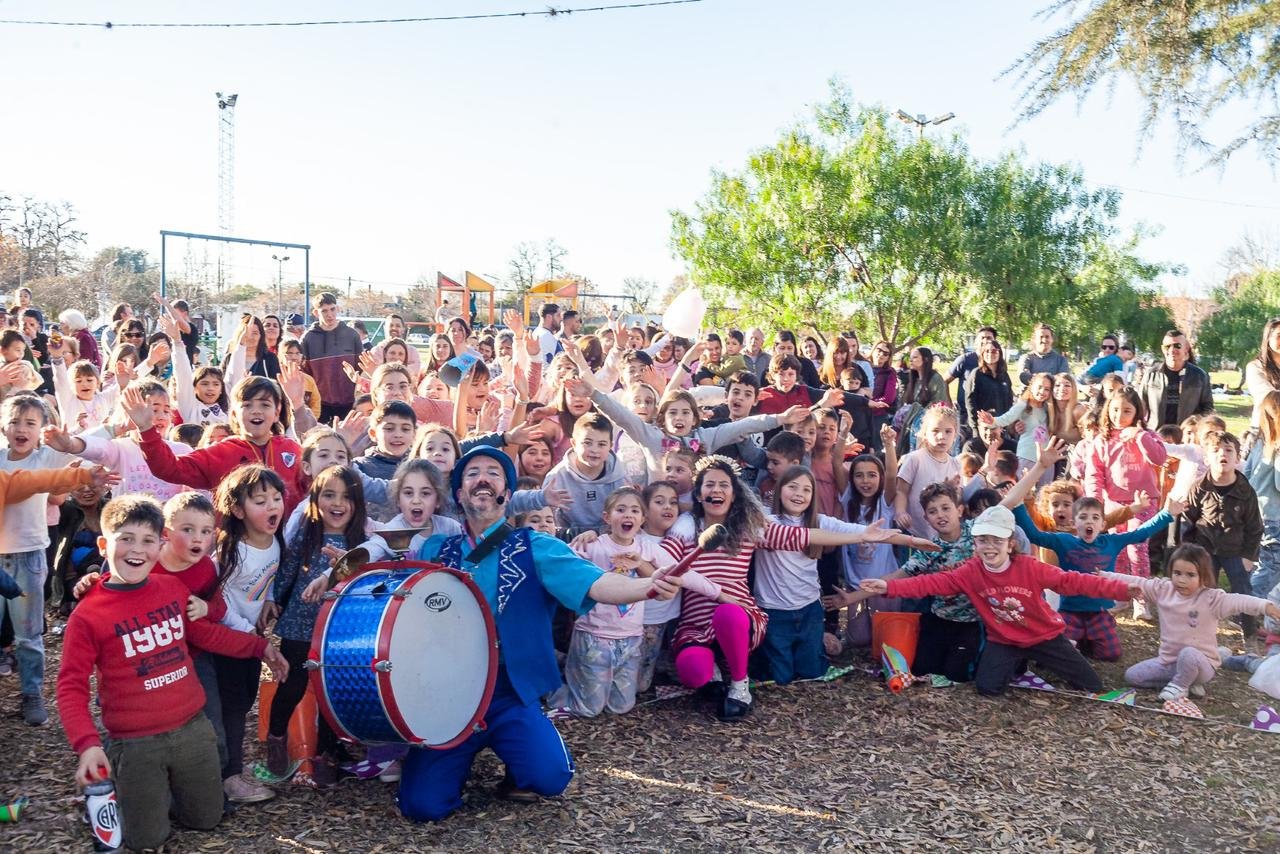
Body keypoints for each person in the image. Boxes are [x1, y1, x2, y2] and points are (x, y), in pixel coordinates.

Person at [400, 446, 679, 822]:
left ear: (508, 493)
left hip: (509, 692)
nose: (483, 479)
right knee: (421, 807)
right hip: (448, 695)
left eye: (494, 473)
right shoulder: (435, 550)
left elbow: (597, 583)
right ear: (459, 493)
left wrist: (646, 586)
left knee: (550, 777)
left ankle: (515, 760)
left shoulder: (537, 547)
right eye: (472, 473)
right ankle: (458, 757)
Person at [56, 494, 288, 851]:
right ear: (104, 545)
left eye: (148, 540)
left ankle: (161, 791)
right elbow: (71, 686)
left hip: (190, 726)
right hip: (136, 739)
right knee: (146, 839)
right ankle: (119, 794)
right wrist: (87, 746)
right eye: (126, 539)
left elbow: (205, 634)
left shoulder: (171, 589)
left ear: (160, 544)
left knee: (207, 818)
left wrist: (261, 648)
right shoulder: (88, 615)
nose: (138, 549)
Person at [862, 505, 1139, 696]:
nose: (989, 546)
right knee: (988, 689)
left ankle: (1041, 659)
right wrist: (888, 586)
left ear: (1010, 544)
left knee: (1092, 686)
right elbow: (930, 583)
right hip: (1004, 639)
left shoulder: (1030, 567)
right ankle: (1017, 665)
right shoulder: (971, 571)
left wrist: (1121, 590)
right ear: (975, 544)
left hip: (1044, 636)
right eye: (983, 540)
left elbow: (1075, 581)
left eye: (997, 540)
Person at [1111, 543, 1280, 701]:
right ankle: (1186, 681)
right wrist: (1103, 575)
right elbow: (1136, 582)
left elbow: (1240, 601)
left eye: (1190, 575)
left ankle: (1180, 686)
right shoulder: (1163, 590)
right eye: (1177, 573)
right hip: (1169, 662)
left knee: (1188, 654)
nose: (1182, 580)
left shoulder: (1212, 599)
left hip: (1202, 665)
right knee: (1133, 676)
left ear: (1203, 576)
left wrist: (1266, 606)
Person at [1182, 431, 1264, 639]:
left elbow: (1254, 527)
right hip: (1205, 550)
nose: (1223, 454)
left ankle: (1250, 635)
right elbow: (1188, 521)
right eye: (1216, 450)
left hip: (1235, 550)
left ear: (1237, 458)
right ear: (1206, 458)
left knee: (1243, 592)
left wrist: (1249, 556)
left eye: (1229, 450)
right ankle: (1199, 634)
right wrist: (1189, 553)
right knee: (1203, 592)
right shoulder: (1199, 487)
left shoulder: (1246, 491)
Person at [300, 292, 362, 423]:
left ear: (338, 309)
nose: (330, 314)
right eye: (324, 311)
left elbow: (360, 369)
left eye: (332, 309)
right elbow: (305, 373)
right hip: (320, 404)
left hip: (349, 403)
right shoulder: (308, 338)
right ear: (316, 313)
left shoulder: (352, 335)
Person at [1135, 329, 1214, 430]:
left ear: (1186, 349)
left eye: (1177, 346)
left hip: (1185, 435)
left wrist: (1194, 423)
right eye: (1167, 346)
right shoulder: (1151, 375)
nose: (1172, 350)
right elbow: (1140, 406)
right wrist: (1139, 428)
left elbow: (1208, 408)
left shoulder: (1200, 376)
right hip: (1156, 433)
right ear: (1163, 349)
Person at [1245, 389, 1280, 600]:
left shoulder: (1259, 443)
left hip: (1255, 512)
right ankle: (1249, 606)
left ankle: (1246, 600)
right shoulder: (1278, 447)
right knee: (1272, 564)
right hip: (1274, 516)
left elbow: (1247, 474)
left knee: (1259, 561)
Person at [945, 325, 997, 430]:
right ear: (976, 341)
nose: (985, 340)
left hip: (990, 416)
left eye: (989, 338)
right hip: (967, 415)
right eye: (982, 338)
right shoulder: (965, 360)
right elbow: (944, 381)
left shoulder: (997, 362)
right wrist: (949, 404)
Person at [1245, 318, 1280, 430]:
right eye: (1279, 336)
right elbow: (1269, 399)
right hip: (1266, 430)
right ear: (1268, 338)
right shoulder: (1255, 368)